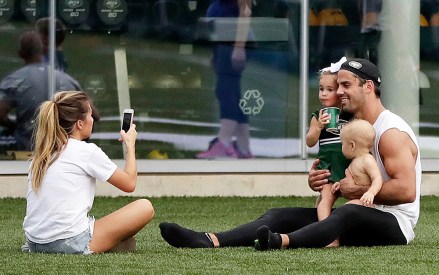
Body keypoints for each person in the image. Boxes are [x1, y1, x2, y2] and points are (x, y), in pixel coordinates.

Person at [159, 58, 421, 251]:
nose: (338, 92)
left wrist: (354, 191)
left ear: (368, 88)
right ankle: (210, 240)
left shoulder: (391, 132)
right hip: (358, 210)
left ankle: (282, 242)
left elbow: (406, 191)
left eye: (345, 85)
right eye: (337, 85)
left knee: (347, 213)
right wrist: (320, 179)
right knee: (279, 215)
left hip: (395, 223)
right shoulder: (349, 125)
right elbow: (342, 173)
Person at [22, 91, 154, 254]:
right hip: (69, 242)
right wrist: (130, 145)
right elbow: (129, 184)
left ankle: (111, 243)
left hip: (34, 244)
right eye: (90, 115)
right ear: (79, 123)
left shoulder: (42, 154)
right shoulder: (86, 151)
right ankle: (109, 243)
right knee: (145, 206)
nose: (93, 120)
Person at [0, 31, 98, 151]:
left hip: (29, 149)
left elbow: (0, 114)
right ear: (44, 51)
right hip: (62, 149)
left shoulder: (15, 80)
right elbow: (94, 115)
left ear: (21, 54)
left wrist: (16, 127)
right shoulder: (67, 80)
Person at [196, 0, 254, 159]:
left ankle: (224, 142)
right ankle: (243, 146)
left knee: (225, 90)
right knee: (233, 91)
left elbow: (246, 10)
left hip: (233, 41)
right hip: (226, 40)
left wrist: (239, 46)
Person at [306, 56, 352, 228]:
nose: (323, 93)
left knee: (354, 198)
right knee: (326, 198)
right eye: (321, 89)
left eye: (329, 89)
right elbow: (310, 141)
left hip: (348, 165)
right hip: (328, 166)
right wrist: (318, 127)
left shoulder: (349, 114)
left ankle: (340, 224)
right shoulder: (318, 116)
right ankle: (324, 229)